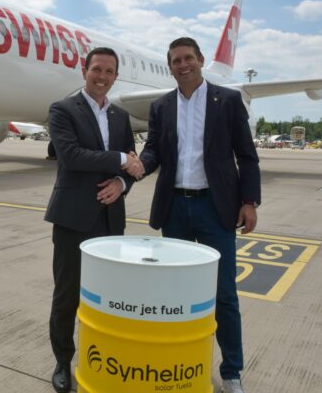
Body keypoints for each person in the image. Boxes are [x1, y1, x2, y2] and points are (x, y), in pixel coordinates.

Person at [136, 37, 260, 393]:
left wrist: (249, 201)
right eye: (176, 61)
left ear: (200, 60)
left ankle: (232, 371)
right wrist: (135, 167)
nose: (183, 65)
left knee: (224, 294)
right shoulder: (161, 106)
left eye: (188, 58)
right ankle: (178, 361)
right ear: (169, 67)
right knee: (175, 293)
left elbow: (246, 155)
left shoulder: (228, 100)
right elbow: (153, 151)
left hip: (214, 208)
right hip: (174, 208)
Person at [44, 46, 143, 393]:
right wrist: (120, 161)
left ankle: (104, 355)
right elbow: (71, 156)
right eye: (96, 69)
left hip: (111, 219)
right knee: (67, 295)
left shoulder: (120, 116)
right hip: (73, 218)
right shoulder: (62, 109)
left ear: (116, 76)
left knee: (109, 295)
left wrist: (122, 183)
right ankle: (62, 361)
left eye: (109, 71)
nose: (102, 77)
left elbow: (131, 164)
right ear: (84, 71)